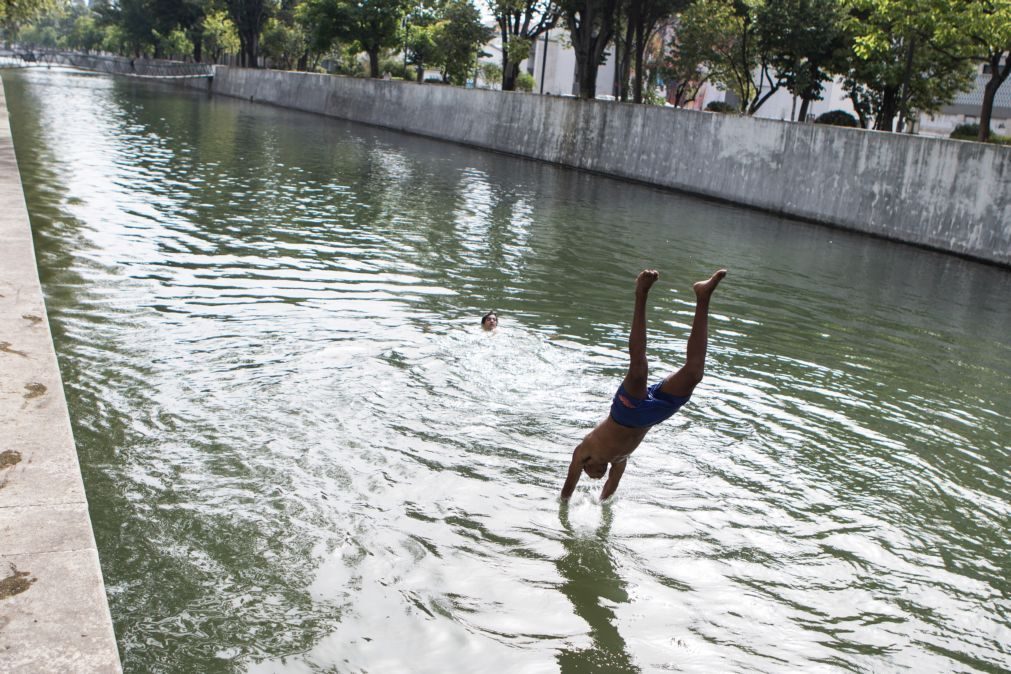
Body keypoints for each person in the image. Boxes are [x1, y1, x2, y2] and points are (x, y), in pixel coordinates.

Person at [560, 268, 727, 501]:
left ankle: (641, 292)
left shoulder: (584, 451)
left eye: (592, 474)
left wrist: (563, 511)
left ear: (585, 466)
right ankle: (703, 295)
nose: (599, 474)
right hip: (653, 415)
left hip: (625, 412)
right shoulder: (618, 461)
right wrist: (601, 505)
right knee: (694, 373)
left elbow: (567, 490)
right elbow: (608, 491)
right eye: (601, 475)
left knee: (639, 367)